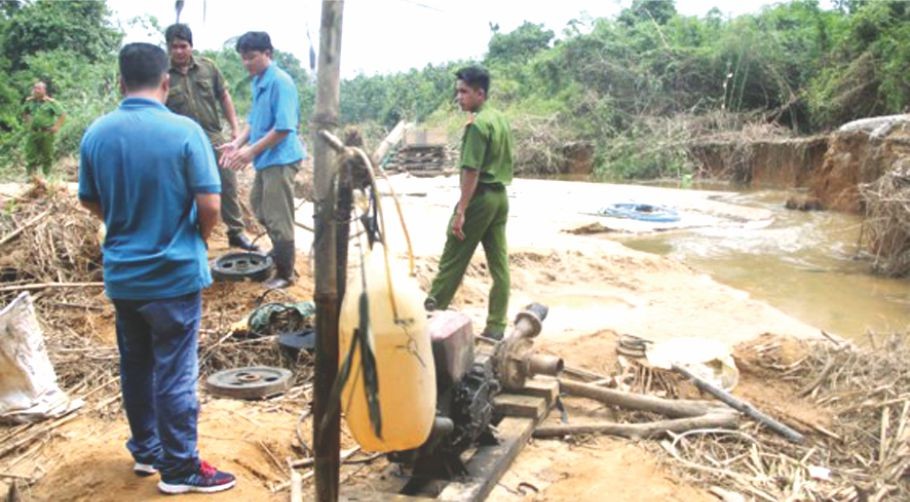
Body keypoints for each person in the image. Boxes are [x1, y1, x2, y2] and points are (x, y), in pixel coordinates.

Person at [78, 42, 235, 495]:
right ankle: (181, 467)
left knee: (136, 365)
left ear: (120, 83)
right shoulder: (185, 132)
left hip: (124, 276)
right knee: (175, 371)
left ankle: (147, 450)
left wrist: (122, 220)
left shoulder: (97, 134)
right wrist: (197, 237)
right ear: (166, 82)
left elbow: (89, 199)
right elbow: (210, 204)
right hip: (173, 275)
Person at [425, 66, 514, 340]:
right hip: (500, 198)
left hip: (480, 198)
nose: (459, 98)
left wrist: (461, 210)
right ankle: (496, 325)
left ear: (480, 93)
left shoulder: (477, 125)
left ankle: (430, 316)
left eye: (464, 92)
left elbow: (471, 171)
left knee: (453, 259)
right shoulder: (499, 119)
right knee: (499, 265)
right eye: (458, 92)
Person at [221, 31, 305, 289]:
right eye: (243, 58)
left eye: (251, 57)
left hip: (281, 159)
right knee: (258, 206)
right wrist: (237, 144)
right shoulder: (260, 81)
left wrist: (250, 152)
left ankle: (286, 273)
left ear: (267, 54)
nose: (246, 63)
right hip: (267, 159)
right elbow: (254, 122)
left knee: (278, 217)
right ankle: (280, 251)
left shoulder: (280, 82)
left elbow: (284, 128)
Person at [164, 23, 258, 251]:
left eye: (183, 46)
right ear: (168, 48)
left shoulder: (208, 68)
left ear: (191, 46)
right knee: (184, 189)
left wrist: (234, 128)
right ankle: (194, 237)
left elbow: (224, 96)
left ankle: (236, 232)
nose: (179, 51)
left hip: (213, 137)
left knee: (227, 182)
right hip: (180, 142)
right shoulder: (162, 74)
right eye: (174, 47)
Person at [21, 80, 66, 178]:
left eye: (39, 88)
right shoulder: (30, 102)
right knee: (31, 155)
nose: (36, 90)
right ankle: (31, 177)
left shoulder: (51, 103)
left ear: (44, 90)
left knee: (47, 156)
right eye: (35, 88)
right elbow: (24, 112)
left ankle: (47, 176)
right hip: (33, 132)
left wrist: (56, 126)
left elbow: (62, 114)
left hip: (46, 133)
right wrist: (28, 123)